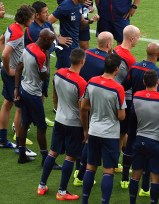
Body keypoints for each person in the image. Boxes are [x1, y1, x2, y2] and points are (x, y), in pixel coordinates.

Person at [36, 48, 87, 201]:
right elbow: (82, 109)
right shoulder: (81, 83)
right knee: (70, 157)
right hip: (74, 124)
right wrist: (86, 129)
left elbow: (55, 95)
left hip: (60, 119)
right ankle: (62, 191)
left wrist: (58, 109)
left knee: (53, 152)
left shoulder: (59, 73)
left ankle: (41, 185)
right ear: (83, 61)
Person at [81, 53, 126, 204]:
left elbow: (84, 106)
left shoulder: (92, 82)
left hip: (94, 130)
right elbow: (121, 116)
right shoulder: (118, 88)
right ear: (117, 69)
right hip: (110, 134)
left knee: (90, 166)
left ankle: (84, 201)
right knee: (108, 170)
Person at [120, 42, 159, 193]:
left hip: (134, 110)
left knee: (131, 138)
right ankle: (145, 187)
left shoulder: (135, 67)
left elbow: (124, 86)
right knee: (149, 145)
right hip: (151, 115)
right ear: (158, 54)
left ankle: (125, 178)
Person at [73, 31, 114, 186]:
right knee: (88, 138)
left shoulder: (86, 53)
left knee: (80, 133)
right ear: (109, 45)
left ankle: (78, 168)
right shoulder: (108, 62)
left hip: (78, 99)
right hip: (93, 104)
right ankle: (83, 172)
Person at [48, 0, 99, 111]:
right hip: (65, 48)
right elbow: (47, 22)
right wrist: (57, 38)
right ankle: (56, 106)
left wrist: (90, 21)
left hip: (74, 46)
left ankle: (69, 103)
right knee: (60, 75)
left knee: (73, 74)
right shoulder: (65, 6)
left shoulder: (78, 5)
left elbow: (81, 22)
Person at [129, 70, 159, 204]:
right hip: (156, 141)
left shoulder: (136, 96)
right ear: (158, 82)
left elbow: (134, 116)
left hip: (140, 138)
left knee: (135, 174)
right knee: (155, 177)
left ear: (143, 82)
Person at [14, 29, 55, 165]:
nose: (52, 43)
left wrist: (16, 89)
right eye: (51, 40)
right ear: (45, 39)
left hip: (24, 88)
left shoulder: (28, 47)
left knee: (25, 123)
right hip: (33, 94)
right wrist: (47, 59)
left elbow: (19, 68)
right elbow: (44, 76)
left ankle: (21, 155)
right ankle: (45, 159)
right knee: (41, 127)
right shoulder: (41, 55)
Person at [0, 5, 35, 149]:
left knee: (7, 104)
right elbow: (5, 53)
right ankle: (21, 145)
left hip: (9, 72)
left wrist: (5, 65)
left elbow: (1, 41)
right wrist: (9, 70)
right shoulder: (18, 33)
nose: (33, 22)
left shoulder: (12, 27)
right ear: (26, 19)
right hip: (13, 75)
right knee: (20, 107)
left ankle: (2, 140)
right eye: (32, 19)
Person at [23, 1, 57, 129]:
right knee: (29, 97)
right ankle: (20, 126)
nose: (47, 14)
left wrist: (54, 42)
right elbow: (46, 48)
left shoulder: (47, 23)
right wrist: (53, 45)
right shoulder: (33, 29)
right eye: (44, 12)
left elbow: (53, 40)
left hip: (43, 63)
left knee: (42, 92)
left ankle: (40, 115)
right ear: (36, 15)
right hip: (32, 67)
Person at [113, 24, 140, 178]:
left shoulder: (116, 50)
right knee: (122, 132)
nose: (138, 39)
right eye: (138, 36)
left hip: (113, 93)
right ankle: (116, 162)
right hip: (125, 98)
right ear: (131, 38)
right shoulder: (130, 59)